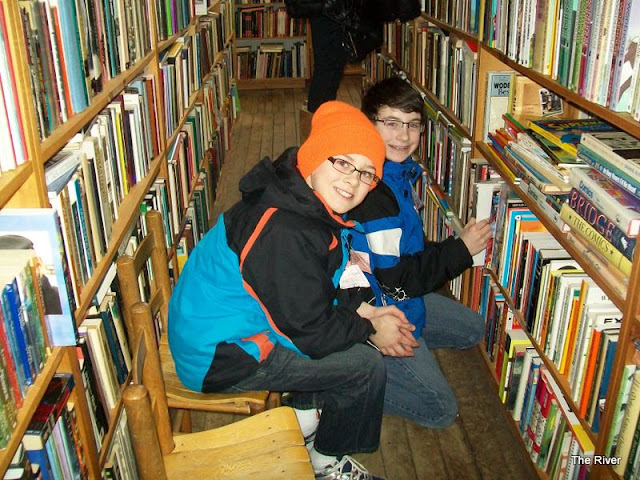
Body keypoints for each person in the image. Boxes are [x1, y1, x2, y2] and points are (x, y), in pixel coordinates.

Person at [168, 101, 417, 480]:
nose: (353, 181)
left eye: (367, 173)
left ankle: (304, 420)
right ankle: (326, 462)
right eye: (343, 162)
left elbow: (320, 281)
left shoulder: (301, 200)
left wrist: (364, 311)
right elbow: (309, 334)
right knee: (364, 367)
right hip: (220, 356)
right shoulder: (285, 229)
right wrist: (369, 327)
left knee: (347, 333)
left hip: (232, 328)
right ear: (313, 158)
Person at [346, 77, 493, 428]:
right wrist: (460, 250)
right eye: (391, 123)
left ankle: (404, 348)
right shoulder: (376, 195)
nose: (403, 135)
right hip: (379, 304)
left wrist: (453, 249)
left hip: (399, 293)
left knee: (472, 329)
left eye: (412, 125)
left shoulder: (397, 174)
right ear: (368, 123)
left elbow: (405, 249)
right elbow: (396, 279)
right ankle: (346, 379)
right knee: (440, 410)